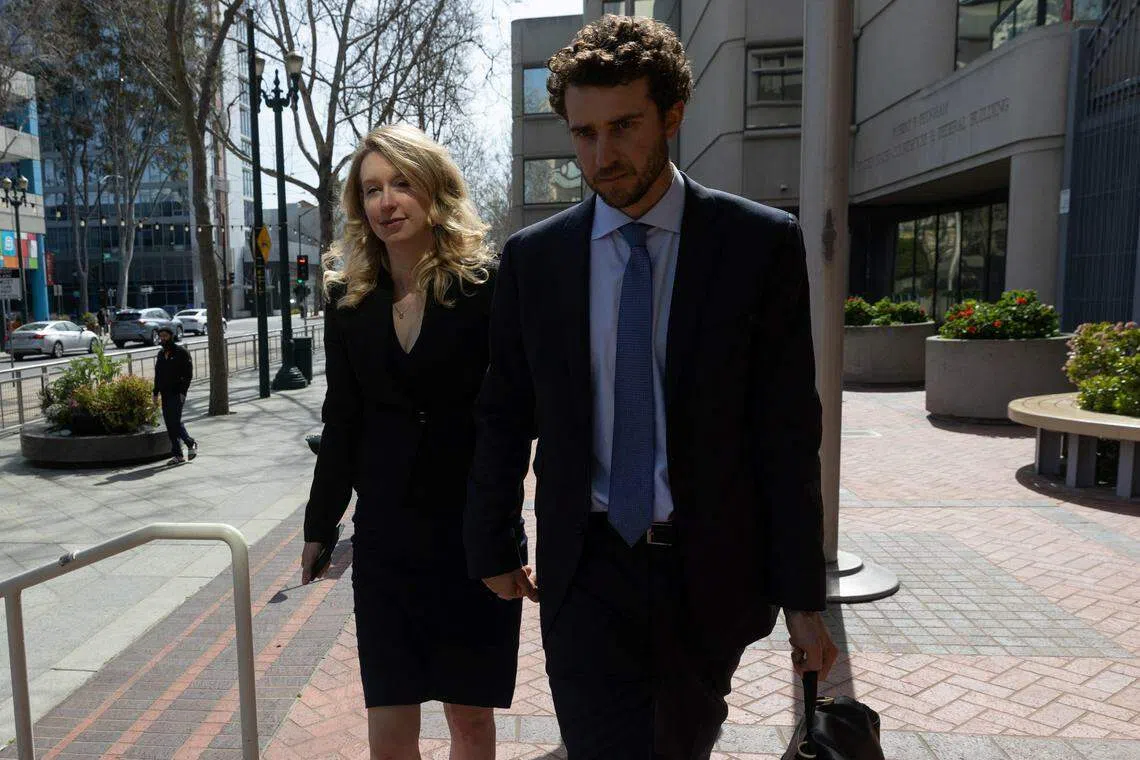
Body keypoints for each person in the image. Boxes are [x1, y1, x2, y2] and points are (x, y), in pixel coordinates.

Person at [465, 15, 838, 759]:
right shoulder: (536, 263)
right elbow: (505, 411)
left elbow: (787, 431)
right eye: (583, 133)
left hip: (709, 574)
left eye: (624, 126)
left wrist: (802, 598)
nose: (602, 155)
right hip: (585, 570)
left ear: (672, 115)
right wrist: (494, 541)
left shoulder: (757, 246)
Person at [301, 123, 523, 760]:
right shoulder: (347, 299)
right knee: (389, 723)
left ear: (435, 191)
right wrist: (322, 523)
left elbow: (512, 418)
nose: (386, 202)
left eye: (401, 184)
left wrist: (505, 536)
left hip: (471, 532)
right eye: (371, 190)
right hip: (387, 538)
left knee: (471, 720)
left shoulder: (487, 286)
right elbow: (342, 418)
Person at [152, 326, 197, 465]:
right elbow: (158, 375)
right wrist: (155, 393)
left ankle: (190, 443)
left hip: (177, 393)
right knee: (170, 424)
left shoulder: (181, 352)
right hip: (165, 393)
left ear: (171, 336)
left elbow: (188, 375)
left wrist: (183, 392)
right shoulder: (161, 354)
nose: (163, 339)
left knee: (175, 421)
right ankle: (178, 455)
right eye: (161, 336)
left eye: (165, 336)